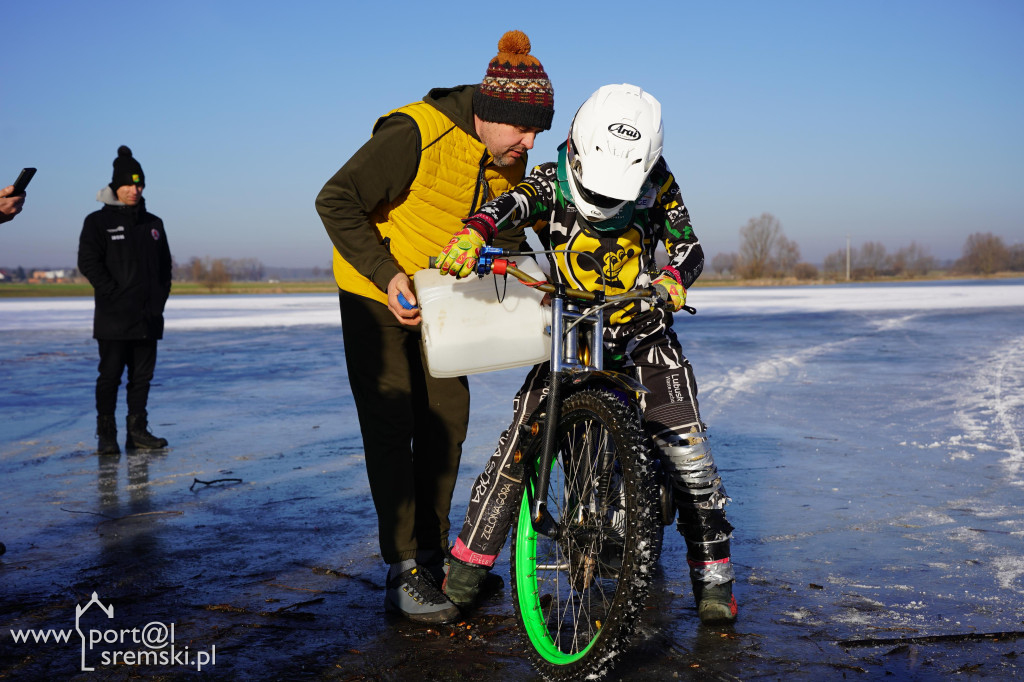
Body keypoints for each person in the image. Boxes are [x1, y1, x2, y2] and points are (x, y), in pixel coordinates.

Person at [436, 83, 738, 624]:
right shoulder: (551, 180)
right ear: (575, 151)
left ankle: (714, 582)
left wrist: (672, 278)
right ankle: (463, 574)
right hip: (571, 329)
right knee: (521, 442)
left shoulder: (658, 182)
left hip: (641, 329)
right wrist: (473, 232)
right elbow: (510, 204)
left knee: (690, 456)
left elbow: (689, 248)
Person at [314, 30, 554, 624]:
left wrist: (541, 273)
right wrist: (388, 274)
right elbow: (335, 199)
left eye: (537, 132)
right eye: (523, 129)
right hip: (376, 292)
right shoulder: (415, 132)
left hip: (446, 300)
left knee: (447, 419)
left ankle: (432, 557)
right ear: (491, 114)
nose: (530, 143)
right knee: (393, 424)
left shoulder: (508, 159)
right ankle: (402, 572)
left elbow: (501, 229)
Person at [78, 145, 172, 456]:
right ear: (115, 187)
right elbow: (89, 263)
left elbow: (165, 268)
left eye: (139, 184)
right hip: (114, 318)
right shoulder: (97, 222)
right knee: (109, 377)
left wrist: (158, 301)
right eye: (129, 184)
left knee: (142, 378)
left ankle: (137, 432)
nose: (135, 189)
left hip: (148, 316)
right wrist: (115, 295)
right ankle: (107, 435)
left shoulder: (153, 223)